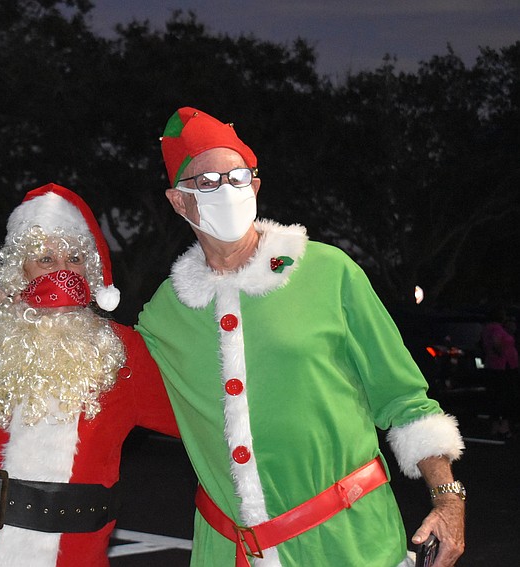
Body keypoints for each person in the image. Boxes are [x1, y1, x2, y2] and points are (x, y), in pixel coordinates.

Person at [136, 107, 466, 567]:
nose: (226, 190)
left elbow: (405, 399)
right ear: (178, 201)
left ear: (255, 185)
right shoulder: (163, 314)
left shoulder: (330, 272)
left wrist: (449, 499)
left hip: (351, 545)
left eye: (237, 177)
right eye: (207, 182)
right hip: (228, 553)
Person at [0, 183, 179, 566]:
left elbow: (195, 419)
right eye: (46, 259)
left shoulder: (123, 351)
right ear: (20, 271)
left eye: (75, 258)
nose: (63, 272)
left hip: (72, 552)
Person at [480, 306, 518, 438]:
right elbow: (497, 343)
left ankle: (496, 425)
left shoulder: (487, 328)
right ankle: (504, 427)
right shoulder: (496, 328)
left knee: (495, 395)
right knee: (505, 395)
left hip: (494, 365)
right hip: (503, 366)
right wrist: (503, 353)